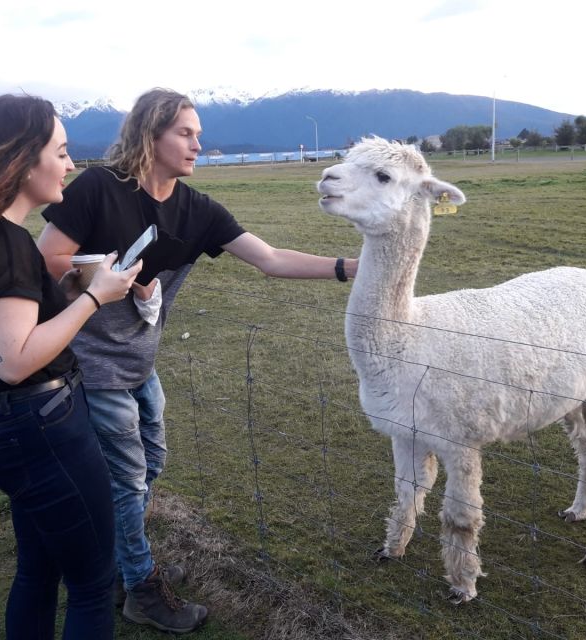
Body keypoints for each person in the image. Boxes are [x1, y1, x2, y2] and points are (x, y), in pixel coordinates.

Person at [37, 87, 358, 634]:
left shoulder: (197, 211)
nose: (197, 145)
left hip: (141, 364)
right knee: (128, 483)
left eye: (199, 135)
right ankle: (140, 588)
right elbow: (49, 257)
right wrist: (108, 280)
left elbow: (272, 260)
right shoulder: (96, 188)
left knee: (149, 468)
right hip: (92, 364)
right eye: (186, 133)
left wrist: (352, 267)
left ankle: (117, 563)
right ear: (150, 135)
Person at [0, 94, 142, 639]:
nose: (70, 165)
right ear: (21, 159)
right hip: (45, 428)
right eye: (60, 153)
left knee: (39, 570)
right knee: (91, 582)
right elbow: (13, 360)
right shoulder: (7, 242)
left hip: (12, 428)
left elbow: (7, 324)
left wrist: (61, 290)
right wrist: (95, 299)